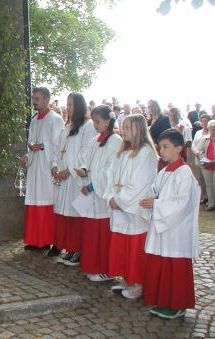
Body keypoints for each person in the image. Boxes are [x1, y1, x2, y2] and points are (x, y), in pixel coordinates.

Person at [139, 129, 200, 319]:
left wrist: (156, 204)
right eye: (160, 147)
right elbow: (155, 190)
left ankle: (178, 304)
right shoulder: (165, 171)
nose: (161, 151)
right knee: (163, 263)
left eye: (165, 147)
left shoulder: (184, 173)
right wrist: (150, 199)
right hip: (163, 226)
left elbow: (181, 203)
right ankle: (164, 300)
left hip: (176, 230)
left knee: (175, 266)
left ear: (179, 148)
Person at [105, 114, 158, 300]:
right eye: (123, 126)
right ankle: (127, 278)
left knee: (134, 246)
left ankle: (137, 282)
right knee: (122, 245)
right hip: (119, 205)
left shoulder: (146, 153)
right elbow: (110, 175)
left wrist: (119, 200)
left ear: (138, 129)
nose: (123, 130)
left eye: (128, 127)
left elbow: (140, 184)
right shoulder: (122, 152)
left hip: (134, 208)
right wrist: (111, 196)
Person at [50, 93, 96, 264]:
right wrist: (55, 165)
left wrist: (69, 170)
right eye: (67, 104)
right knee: (66, 215)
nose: (68, 107)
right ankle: (70, 248)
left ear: (79, 106)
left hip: (76, 178)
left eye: (71, 104)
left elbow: (86, 152)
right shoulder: (67, 126)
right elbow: (57, 149)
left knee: (77, 214)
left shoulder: (88, 126)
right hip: (63, 178)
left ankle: (79, 249)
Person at [78, 106, 123, 281]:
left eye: (97, 121)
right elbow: (85, 159)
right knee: (91, 234)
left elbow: (109, 171)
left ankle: (106, 268)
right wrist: (82, 170)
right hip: (92, 194)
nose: (95, 125)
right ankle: (92, 265)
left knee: (103, 235)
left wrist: (92, 186)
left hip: (102, 195)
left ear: (108, 121)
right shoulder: (96, 139)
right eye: (93, 121)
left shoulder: (115, 141)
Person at [19, 87, 65, 250]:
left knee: (47, 202)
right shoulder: (34, 119)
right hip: (35, 167)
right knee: (34, 201)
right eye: (33, 98)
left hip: (47, 168)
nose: (34, 102)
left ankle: (47, 240)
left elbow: (58, 145)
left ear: (46, 99)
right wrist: (27, 154)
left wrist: (46, 151)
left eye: (37, 99)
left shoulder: (55, 119)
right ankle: (35, 239)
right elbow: (31, 142)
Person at [191, 112, 211, 204]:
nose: (204, 123)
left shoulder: (211, 132)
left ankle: (209, 198)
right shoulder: (198, 132)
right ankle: (202, 196)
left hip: (207, 159)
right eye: (202, 121)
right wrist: (196, 152)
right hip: (198, 157)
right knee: (200, 179)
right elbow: (193, 144)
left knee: (208, 180)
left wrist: (202, 154)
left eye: (206, 121)